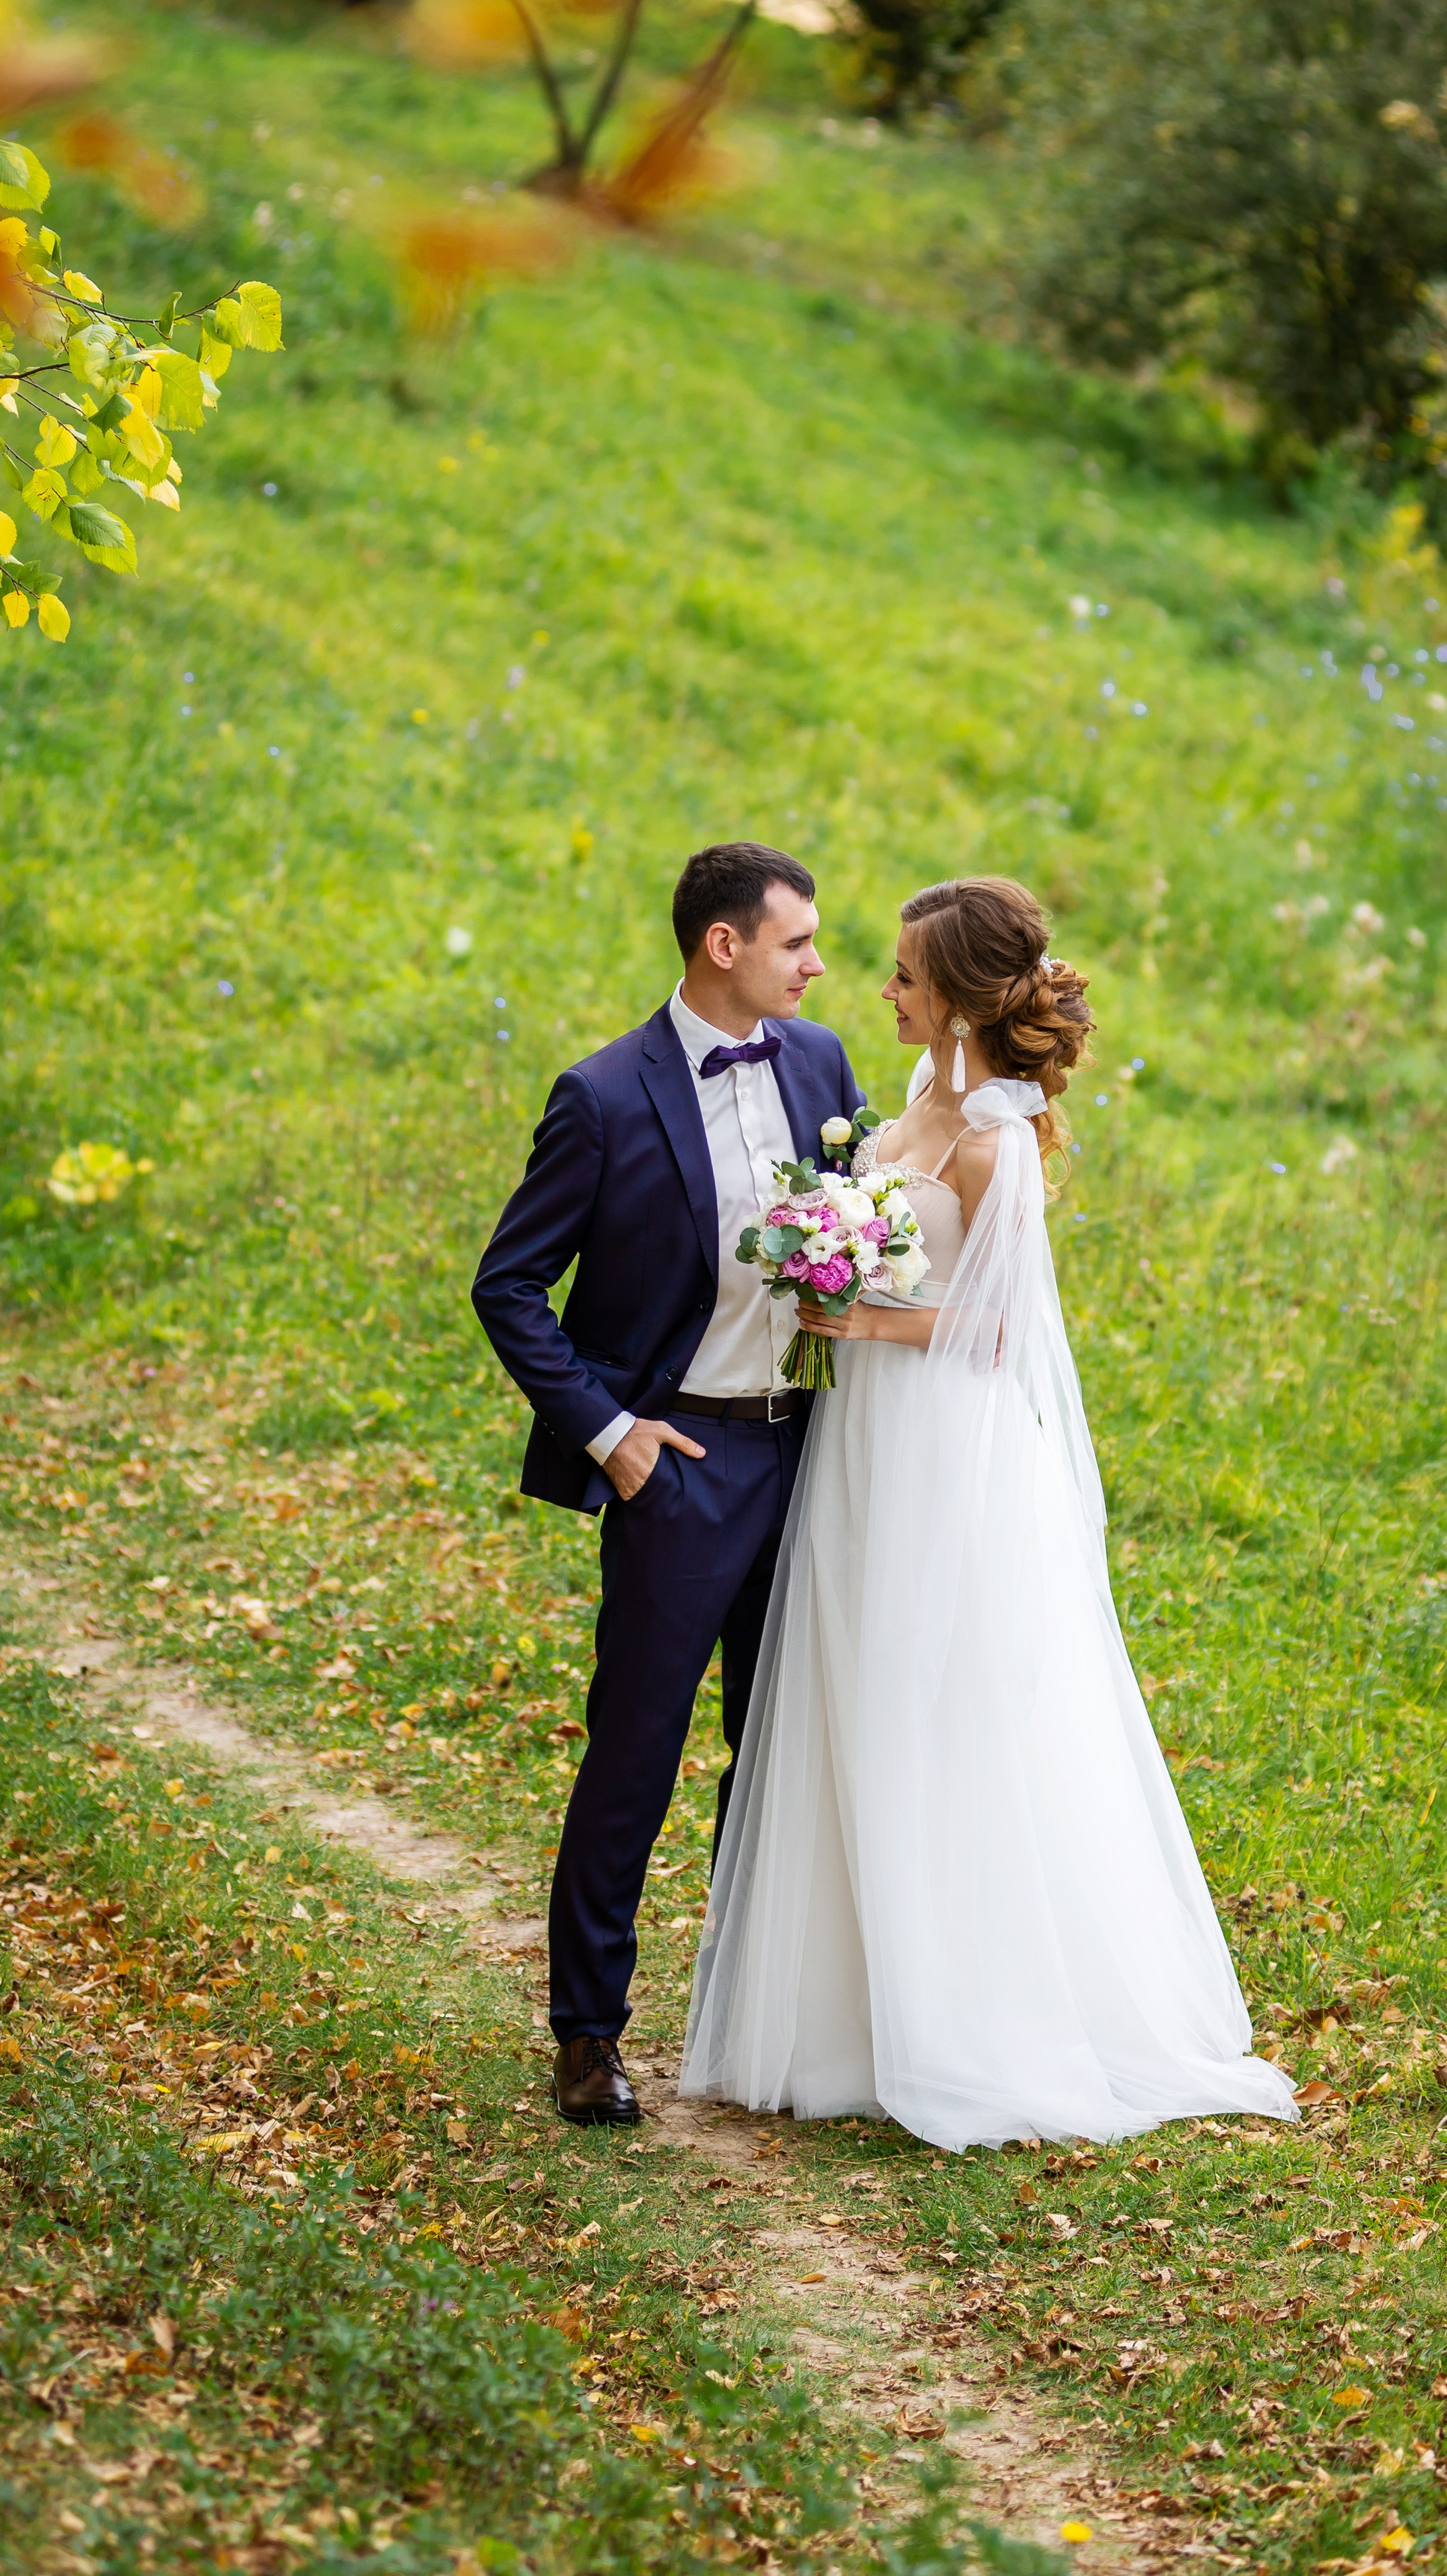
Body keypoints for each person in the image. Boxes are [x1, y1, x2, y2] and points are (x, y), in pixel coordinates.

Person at [682, 875, 1298, 2151]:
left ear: (956, 994)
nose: (887, 991)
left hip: (946, 1453)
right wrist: (828, 1266)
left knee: (941, 1700)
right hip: (865, 1441)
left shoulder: (993, 1138)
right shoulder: (915, 1101)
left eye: (907, 974)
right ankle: (844, 2017)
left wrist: (859, 1311)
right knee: (858, 1690)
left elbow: (1006, 1325)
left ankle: (969, 2014)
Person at [472, 843, 864, 2127]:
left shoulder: (819, 1063)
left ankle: (751, 2023)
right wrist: (612, 1432)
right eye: (797, 941)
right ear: (724, 946)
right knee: (636, 1752)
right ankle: (588, 2034)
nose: (817, 962)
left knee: (779, 1754)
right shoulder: (600, 1096)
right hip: (682, 1464)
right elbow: (508, 1286)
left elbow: (855, 1236)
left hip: (808, 1453)